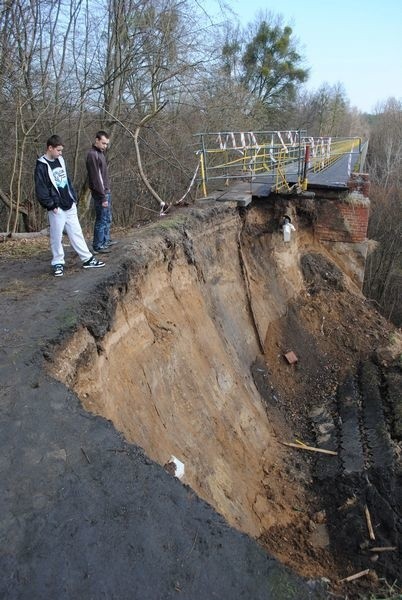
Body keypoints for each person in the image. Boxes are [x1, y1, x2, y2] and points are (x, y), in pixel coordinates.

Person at [35, 135, 105, 277]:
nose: (61, 153)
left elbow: (66, 181)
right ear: (50, 148)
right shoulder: (41, 165)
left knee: (76, 232)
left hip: (69, 204)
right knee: (56, 236)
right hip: (56, 207)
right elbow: (41, 189)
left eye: (61, 150)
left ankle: (87, 259)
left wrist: (73, 198)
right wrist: (51, 205)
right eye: (58, 150)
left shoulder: (60, 160)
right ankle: (57, 263)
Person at [86, 130, 117, 253]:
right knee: (101, 219)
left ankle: (106, 240)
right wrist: (103, 197)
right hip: (100, 193)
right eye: (103, 143)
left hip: (106, 191)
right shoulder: (93, 155)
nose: (105, 146)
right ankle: (98, 245)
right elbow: (96, 179)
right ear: (97, 140)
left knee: (107, 217)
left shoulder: (100, 153)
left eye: (106, 144)